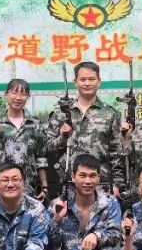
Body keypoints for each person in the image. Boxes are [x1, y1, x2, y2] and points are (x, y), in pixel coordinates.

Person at [46, 61, 124, 197]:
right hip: (70, 183)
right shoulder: (62, 114)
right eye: (82, 79)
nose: (87, 83)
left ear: (99, 81)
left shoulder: (110, 113)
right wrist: (62, 138)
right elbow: (47, 148)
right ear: (75, 82)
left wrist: (117, 184)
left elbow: (116, 152)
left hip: (101, 184)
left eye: (91, 79)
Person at [0, 78, 48, 201]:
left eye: (23, 94)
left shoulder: (35, 125)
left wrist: (44, 186)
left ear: (28, 97)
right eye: (14, 92)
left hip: (27, 189)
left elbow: (41, 158)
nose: (18, 98)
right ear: (6, 94)